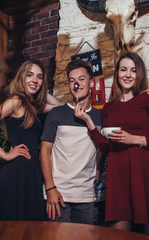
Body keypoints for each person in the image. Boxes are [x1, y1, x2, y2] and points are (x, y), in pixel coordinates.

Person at [74, 52, 149, 239]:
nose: (128, 75)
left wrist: (133, 139)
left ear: (139, 74)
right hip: (119, 178)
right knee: (117, 234)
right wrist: (88, 121)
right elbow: (105, 144)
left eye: (133, 70)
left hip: (147, 176)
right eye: (123, 69)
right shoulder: (109, 107)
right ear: (117, 73)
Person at [0, 59, 60, 221]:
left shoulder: (32, 105)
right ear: (21, 78)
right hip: (16, 174)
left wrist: (40, 89)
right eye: (30, 75)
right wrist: (5, 155)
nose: (34, 80)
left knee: (30, 230)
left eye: (39, 77)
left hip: (31, 173)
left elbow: (59, 108)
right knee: (13, 230)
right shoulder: (16, 101)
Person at [40, 59, 102, 224]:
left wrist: (98, 170)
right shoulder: (56, 114)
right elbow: (44, 152)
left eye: (81, 79)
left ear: (91, 82)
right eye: (72, 81)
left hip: (86, 194)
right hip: (58, 194)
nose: (77, 84)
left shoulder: (100, 116)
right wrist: (50, 188)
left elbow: (102, 147)